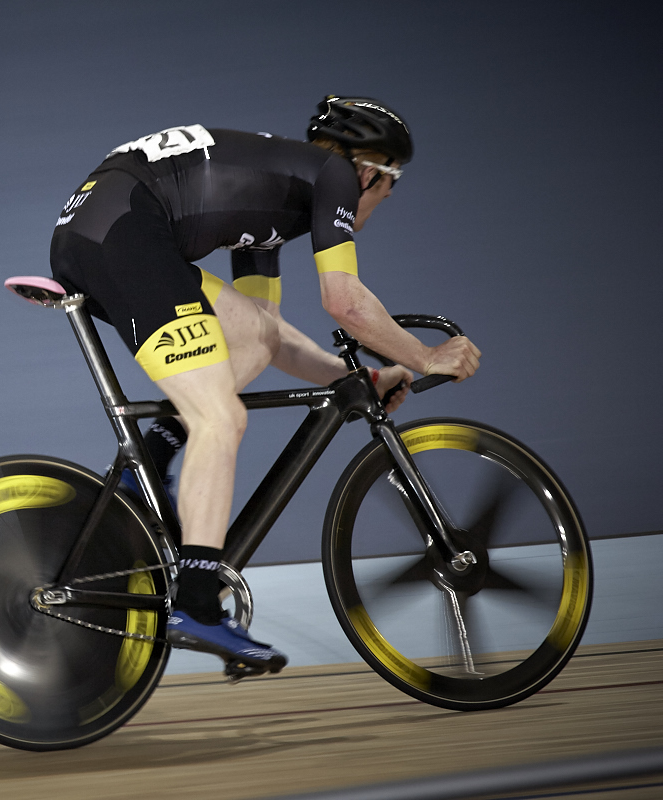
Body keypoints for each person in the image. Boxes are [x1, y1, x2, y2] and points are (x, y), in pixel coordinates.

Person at [49, 96, 480, 673]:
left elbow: (266, 335)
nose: (385, 198)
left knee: (252, 336)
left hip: (110, 226)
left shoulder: (277, 193)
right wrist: (426, 357)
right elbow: (344, 302)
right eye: (390, 184)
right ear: (370, 172)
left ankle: (148, 463)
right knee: (220, 418)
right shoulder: (334, 175)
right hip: (124, 232)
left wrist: (361, 379)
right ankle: (197, 604)